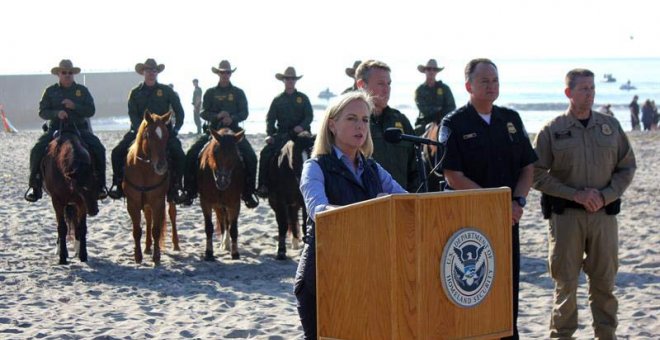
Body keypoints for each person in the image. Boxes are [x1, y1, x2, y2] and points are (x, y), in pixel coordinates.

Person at [532, 68, 636, 339]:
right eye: (583, 89)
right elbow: (535, 174)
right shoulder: (552, 130)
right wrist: (573, 194)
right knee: (565, 286)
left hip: (603, 217)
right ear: (569, 92)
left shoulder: (610, 127)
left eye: (592, 88)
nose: (590, 94)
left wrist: (606, 195)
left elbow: (627, 167)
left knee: (604, 285)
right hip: (567, 219)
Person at [295, 91, 407, 339]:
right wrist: (374, 209)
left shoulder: (373, 168)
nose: (360, 126)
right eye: (352, 119)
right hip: (324, 275)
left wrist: (395, 204)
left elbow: (407, 202)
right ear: (332, 125)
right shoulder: (314, 167)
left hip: (369, 274)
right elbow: (319, 212)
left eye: (365, 120)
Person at [439, 58, 537, 339]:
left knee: (507, 289)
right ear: (469, 85)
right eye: (484, 81)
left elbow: (528, 167)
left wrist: (517, 202)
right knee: (472, 290)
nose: (491, 86)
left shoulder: (510, 120)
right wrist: (495, 205)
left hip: (508, 219)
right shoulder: (455, 123)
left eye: (495, 80)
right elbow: (452, 176)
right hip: (469, 222)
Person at [25, 59, 107, 202]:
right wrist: (57, 113)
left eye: (70, 73)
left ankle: (100, 185)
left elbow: (91, 110)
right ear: (59, 74)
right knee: (37, 149)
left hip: (79, 129)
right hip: (56, 129)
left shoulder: (82, 91)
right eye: (64, 72)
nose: (67, 75)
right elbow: (42, 112)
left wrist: (74, 106)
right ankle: (35, 185)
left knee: (98, 148)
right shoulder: (50, 91)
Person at [107, 58, 187, 203]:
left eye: (154, 70)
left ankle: (176, 187)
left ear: (157, 73)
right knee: (117, 152)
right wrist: (141, 131)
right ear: (143, 72)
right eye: (148, 70)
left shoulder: (166, 91)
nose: (151, 73)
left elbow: (179, 112)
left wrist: (175, 130)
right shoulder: (135, 92)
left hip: (162, 134)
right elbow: (132, 114)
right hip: (139, 133)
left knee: (179, 154)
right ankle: (118, 185)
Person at [182, 60, 259, 208]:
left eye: (227, 72)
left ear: (230, 74)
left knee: (251, 156)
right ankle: (190, 191)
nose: (225, 75)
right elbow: (203, 112)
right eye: (222, 72)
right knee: (192, 153)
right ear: (218, 73)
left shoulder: (238, 92)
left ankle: (248, 192)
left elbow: (245, 112)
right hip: (214, 132)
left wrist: (232, 118)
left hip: (234, 133)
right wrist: (217, 116)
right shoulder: (210, 92)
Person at [355, 60, 419, 192]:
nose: (387, 89)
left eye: (389, 84)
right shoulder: (351, 124)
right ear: (362, 85)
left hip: (401, 204)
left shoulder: (401, 121)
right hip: (365, 206)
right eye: (380, 84)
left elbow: (415, 169)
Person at [255, 66, 313, 198]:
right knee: (265, 153)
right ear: (284, 80)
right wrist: (269, 134)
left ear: (295, 80)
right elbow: (270, 119)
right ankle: (263, 185)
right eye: (287, 79)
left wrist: (301, 126)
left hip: (301, 135)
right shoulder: (277, 100)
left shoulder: (303, 98)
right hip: (283, 135)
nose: (290, 81)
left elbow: (309, 116)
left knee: (318, 153)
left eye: (292, 79)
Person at [413, 58, 456, 135]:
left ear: (437, 72)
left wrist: (441, 116)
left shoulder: (445, 88)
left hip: (444, 121)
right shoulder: (419, 90)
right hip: (425, 122)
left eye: (434, 69)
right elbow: (424, 110)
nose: (431, 71)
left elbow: (451, 107)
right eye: (429, 69)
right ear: (425, 71)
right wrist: (439, 110)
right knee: (416, 136)